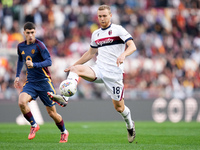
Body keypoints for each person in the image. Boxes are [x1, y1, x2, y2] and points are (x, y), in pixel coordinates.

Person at [48, 5, 137, 143]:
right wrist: (75, 64)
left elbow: (132, 46)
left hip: (114, 75)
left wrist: (123, 55)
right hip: (99, 70)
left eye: (104, 16)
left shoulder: (118, 29)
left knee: (119, 108)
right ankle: (65, 98)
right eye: (100, 16)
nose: (102, 18)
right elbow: (90, 53)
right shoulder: (96, 34)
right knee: (75, 70)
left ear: (110, 15)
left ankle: (130, 125)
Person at [14, 22, 69, 143]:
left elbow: (49, 62)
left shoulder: (40, 45)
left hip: (44, 82)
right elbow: (20, 60)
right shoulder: (20, 46)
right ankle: (34, 124)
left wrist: (34, 65)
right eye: (28, 33)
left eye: (32, 32)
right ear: (24, 33)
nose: (30, 35)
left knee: (52, 113)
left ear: (35, 32)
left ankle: (64, 132)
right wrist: (17, 76)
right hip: (31, 82)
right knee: (21, 102)